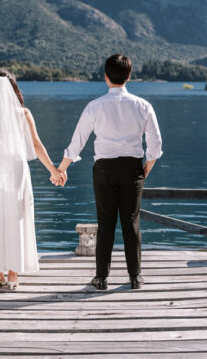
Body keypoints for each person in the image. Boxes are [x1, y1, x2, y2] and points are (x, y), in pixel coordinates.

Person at [57, 54, 162, 290]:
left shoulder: (94, 106)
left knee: (105, 223)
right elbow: (155, 145)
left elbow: (77, 143)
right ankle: (135, 276)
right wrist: (145, 169)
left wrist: (61, 169)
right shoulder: (143, 106)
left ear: (105, 77)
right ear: (129, 76)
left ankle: (101, 277)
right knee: (131, 222)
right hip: (133, 167)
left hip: (104, 169)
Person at [0, 69, 64, 289]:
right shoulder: (23, 113)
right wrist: (53, 171)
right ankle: (14, 276)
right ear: (12, 89)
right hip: (16, 172)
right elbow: (36, 145)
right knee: (17, 219)